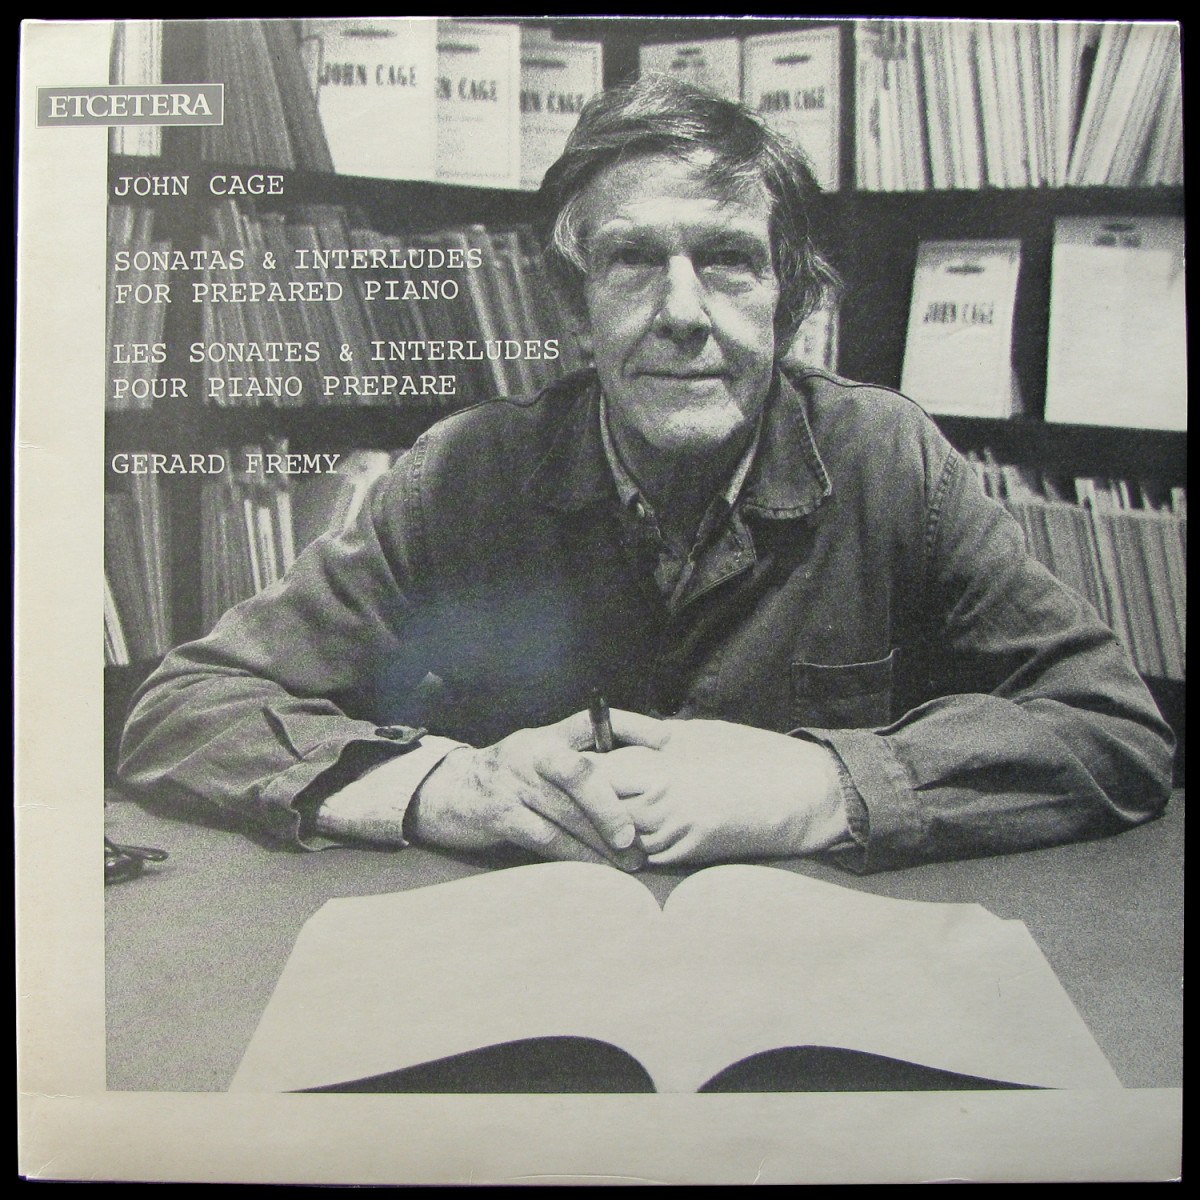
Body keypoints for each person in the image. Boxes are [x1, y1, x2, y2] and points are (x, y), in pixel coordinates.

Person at [117, 78, 1173, 874]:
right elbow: (186, 707)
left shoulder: (888, 458)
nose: (682, 313)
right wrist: (443, 786)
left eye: (728, 260)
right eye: (632, 261)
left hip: (820, 968)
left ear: (792, 302)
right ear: (574, 309)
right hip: (525, 965)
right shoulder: (464, 472)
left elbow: (1112, 725)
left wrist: (829, 784)